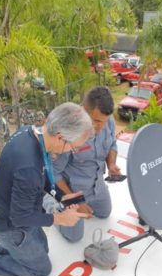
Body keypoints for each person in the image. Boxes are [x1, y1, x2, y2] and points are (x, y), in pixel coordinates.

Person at [0, 102, 92, 276]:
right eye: (73, 147)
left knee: (43, 249)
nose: (72, 151)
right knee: (41, 270)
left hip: (15, 210)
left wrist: (61, 196)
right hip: (11, 226)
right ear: (60, 137)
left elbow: (42, 174)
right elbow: (19, 218)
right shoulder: (29, 167)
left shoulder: (30, 133)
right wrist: (60, 218)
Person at [52, 86, 121, 242]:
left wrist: (111, 164)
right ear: (83, 111)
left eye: (103, 121)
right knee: (74, 237)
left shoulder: (107, 120)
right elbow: (54, 173)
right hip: (72, 190)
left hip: (97, 185)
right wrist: (75, 201)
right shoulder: (69, 132)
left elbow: (112, 144)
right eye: (95, 121)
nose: (100, 126)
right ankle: (52, 208)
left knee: (104, 213)